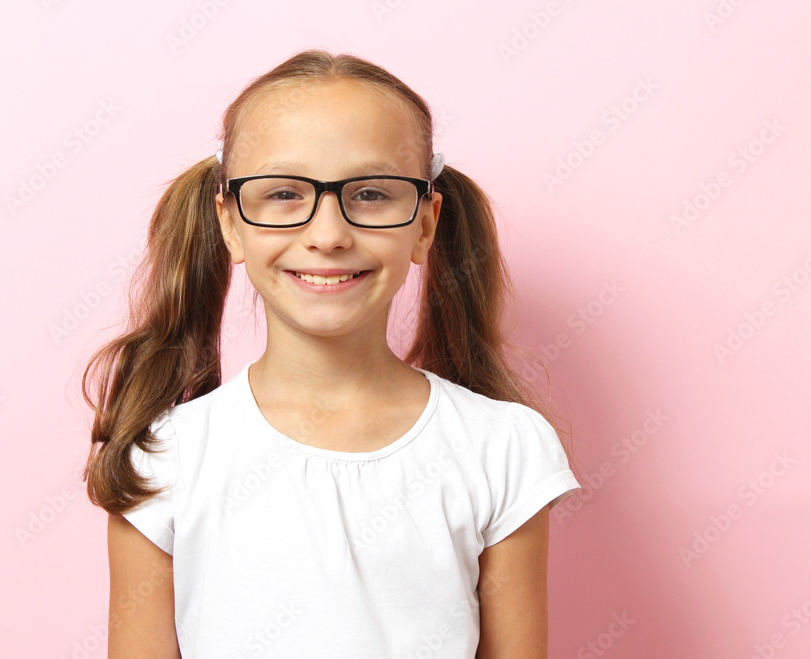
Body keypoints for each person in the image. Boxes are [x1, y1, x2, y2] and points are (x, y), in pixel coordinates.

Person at [82, 48, 582, 658]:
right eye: (284, 194)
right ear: (231, 224)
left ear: (425, 224)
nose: (327, 235)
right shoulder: (164, 459)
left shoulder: (503, 448)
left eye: (371, 194)